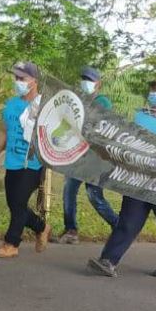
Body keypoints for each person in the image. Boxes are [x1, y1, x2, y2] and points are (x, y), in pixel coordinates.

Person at [88, 76, 156, 278]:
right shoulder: (139, 116)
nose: (155, 93)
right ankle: (108, 260)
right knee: (128, 220)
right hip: (137, 178)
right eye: (152, 88)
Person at [0, 61, 50, 258]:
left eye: (22, 78)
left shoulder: (44, 106)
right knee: (14, 204)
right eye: (16, 78)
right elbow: (3, 132)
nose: (18, 82)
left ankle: (11, 243)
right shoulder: (12, 105)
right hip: (12, 162)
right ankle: (41, 227)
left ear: (34, 81)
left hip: (32, 163)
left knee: (19, 201)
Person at [59, 66, 118, 244]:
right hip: (76, 154)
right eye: (84, 79)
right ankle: (71, 230)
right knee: (69, 191)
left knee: (94, 196)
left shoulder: (103, 102)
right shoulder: (77, 100)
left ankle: (118, 225)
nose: (86, 83)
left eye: (90, 80)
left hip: (95, 157)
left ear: (98, 83)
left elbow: (102, 124)